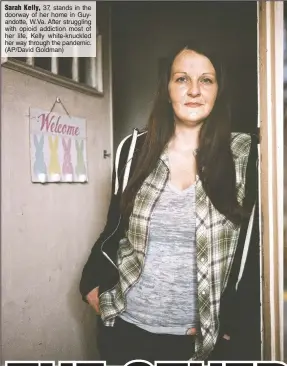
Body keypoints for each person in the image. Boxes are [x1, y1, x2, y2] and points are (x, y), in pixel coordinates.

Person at [79, 40, 258, 364]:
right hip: (126, 329)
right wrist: (92, 285)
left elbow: (253, 249)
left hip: (200, 341)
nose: (193, 90)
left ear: (219, 89)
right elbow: (114, 229)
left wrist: (237, 322)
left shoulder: (246, 155)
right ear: (167, 88)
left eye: (206, 79)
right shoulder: (133, 150)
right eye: (181, 79)